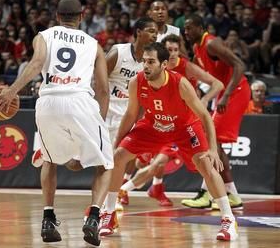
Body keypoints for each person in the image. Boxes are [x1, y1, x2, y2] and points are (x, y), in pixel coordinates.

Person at [0, 0, 113, 246]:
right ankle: (93, 217)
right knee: (105, 163)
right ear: (81, 17)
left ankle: (48, 217)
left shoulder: (44, 36)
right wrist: (98, 124)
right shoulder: (93, 44)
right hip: (80, 101)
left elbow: (36, 63)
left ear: (57, 16)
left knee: (49, 159)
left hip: (48, 101)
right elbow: (103, 89)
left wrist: (12, 90)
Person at [99, 42, 238, 242]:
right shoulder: (137, 81)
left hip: (185, 127)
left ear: (164, 64)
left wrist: (214, 149)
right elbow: (130, 115)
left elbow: (205, 116)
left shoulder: (179, 83)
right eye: (144, 61)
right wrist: (117, 144)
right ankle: (109, 213)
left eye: (151, 62)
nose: (145, 66)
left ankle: (228, 219)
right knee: (118, 157)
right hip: (153, 125)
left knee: (206, 164)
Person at [118, 34, 224, 201]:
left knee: (189, 163)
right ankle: (153, 187)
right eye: (169, 50)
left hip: (183, 126)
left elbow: (217, 85)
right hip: (158, 124)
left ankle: (131, 188)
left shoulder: (185, 69)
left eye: (176, 50)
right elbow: (133, 111)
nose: (173, 53)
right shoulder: (143, 77)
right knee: (136, 159)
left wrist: (204, 100)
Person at [181, 14, 251, 210]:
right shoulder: (197, 48)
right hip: (225, 94)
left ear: (200, 28)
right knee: (215, 143)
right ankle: (231, 195)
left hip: (236, 92)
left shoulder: (210, 44)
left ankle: (206, 194)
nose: (186, 32)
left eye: (189, 28)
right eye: (184, 29)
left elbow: (239, 64)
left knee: (212, 140)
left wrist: (226, 96)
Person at [105, 17, 157, 208]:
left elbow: (146, 94)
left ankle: (107, 204)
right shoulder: (119, 52)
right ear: (138, 32)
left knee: (116, 161)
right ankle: (50, 153)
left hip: (127, 117)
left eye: (156, 32)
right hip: (106, 113)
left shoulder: (150, 62)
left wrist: (140, 121)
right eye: (151, 31)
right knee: (78, 163)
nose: (155, 35)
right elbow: (99, 78)